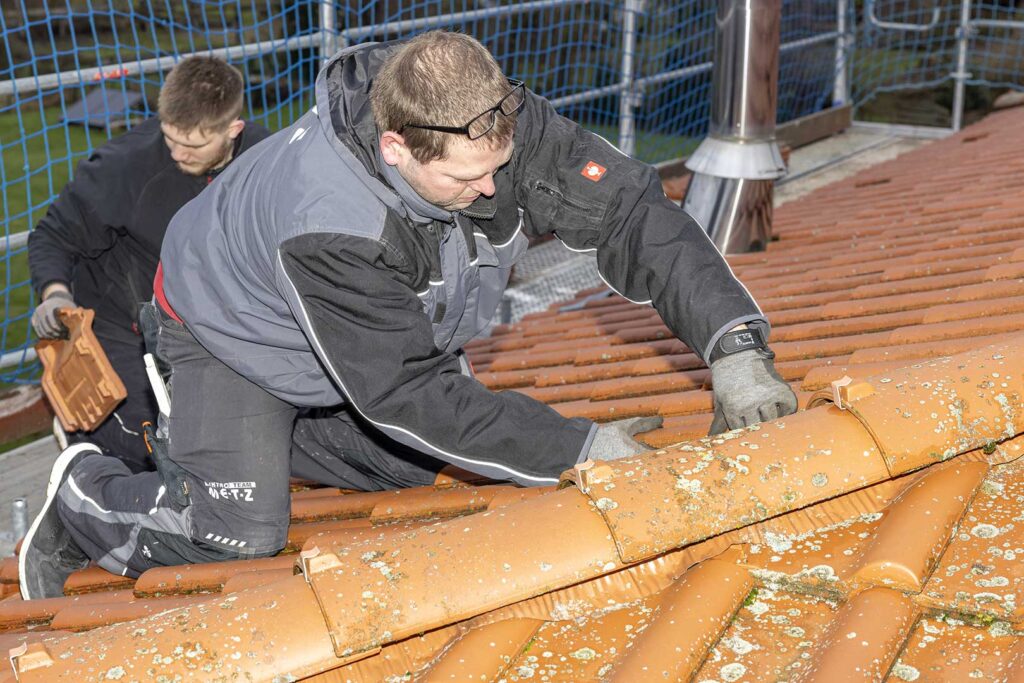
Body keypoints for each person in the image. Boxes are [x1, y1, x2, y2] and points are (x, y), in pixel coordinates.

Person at [19, 31, 797, 599]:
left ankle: (257, 439)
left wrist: (732, 343)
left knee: (415, 467)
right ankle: (83, 493)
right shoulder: (328, 222)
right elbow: (407, 391)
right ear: (396, 148)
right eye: (467, 179)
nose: (494, 192)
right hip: (224, 331)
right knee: (239, 530)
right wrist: (582, 447)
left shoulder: (489, 124)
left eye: (499, 167)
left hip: (344, 339)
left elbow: (631, 212)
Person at [27, 56, 271, 471]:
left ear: (233, 129)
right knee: (159, 448)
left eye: (192, 145)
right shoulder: (124, 169)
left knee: (252, 440)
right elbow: (53, 235)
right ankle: (84, 446)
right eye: (169, 137)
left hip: (213, 321)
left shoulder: (267, 160)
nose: (177, 153)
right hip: (124, 326)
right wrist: (54, 294)